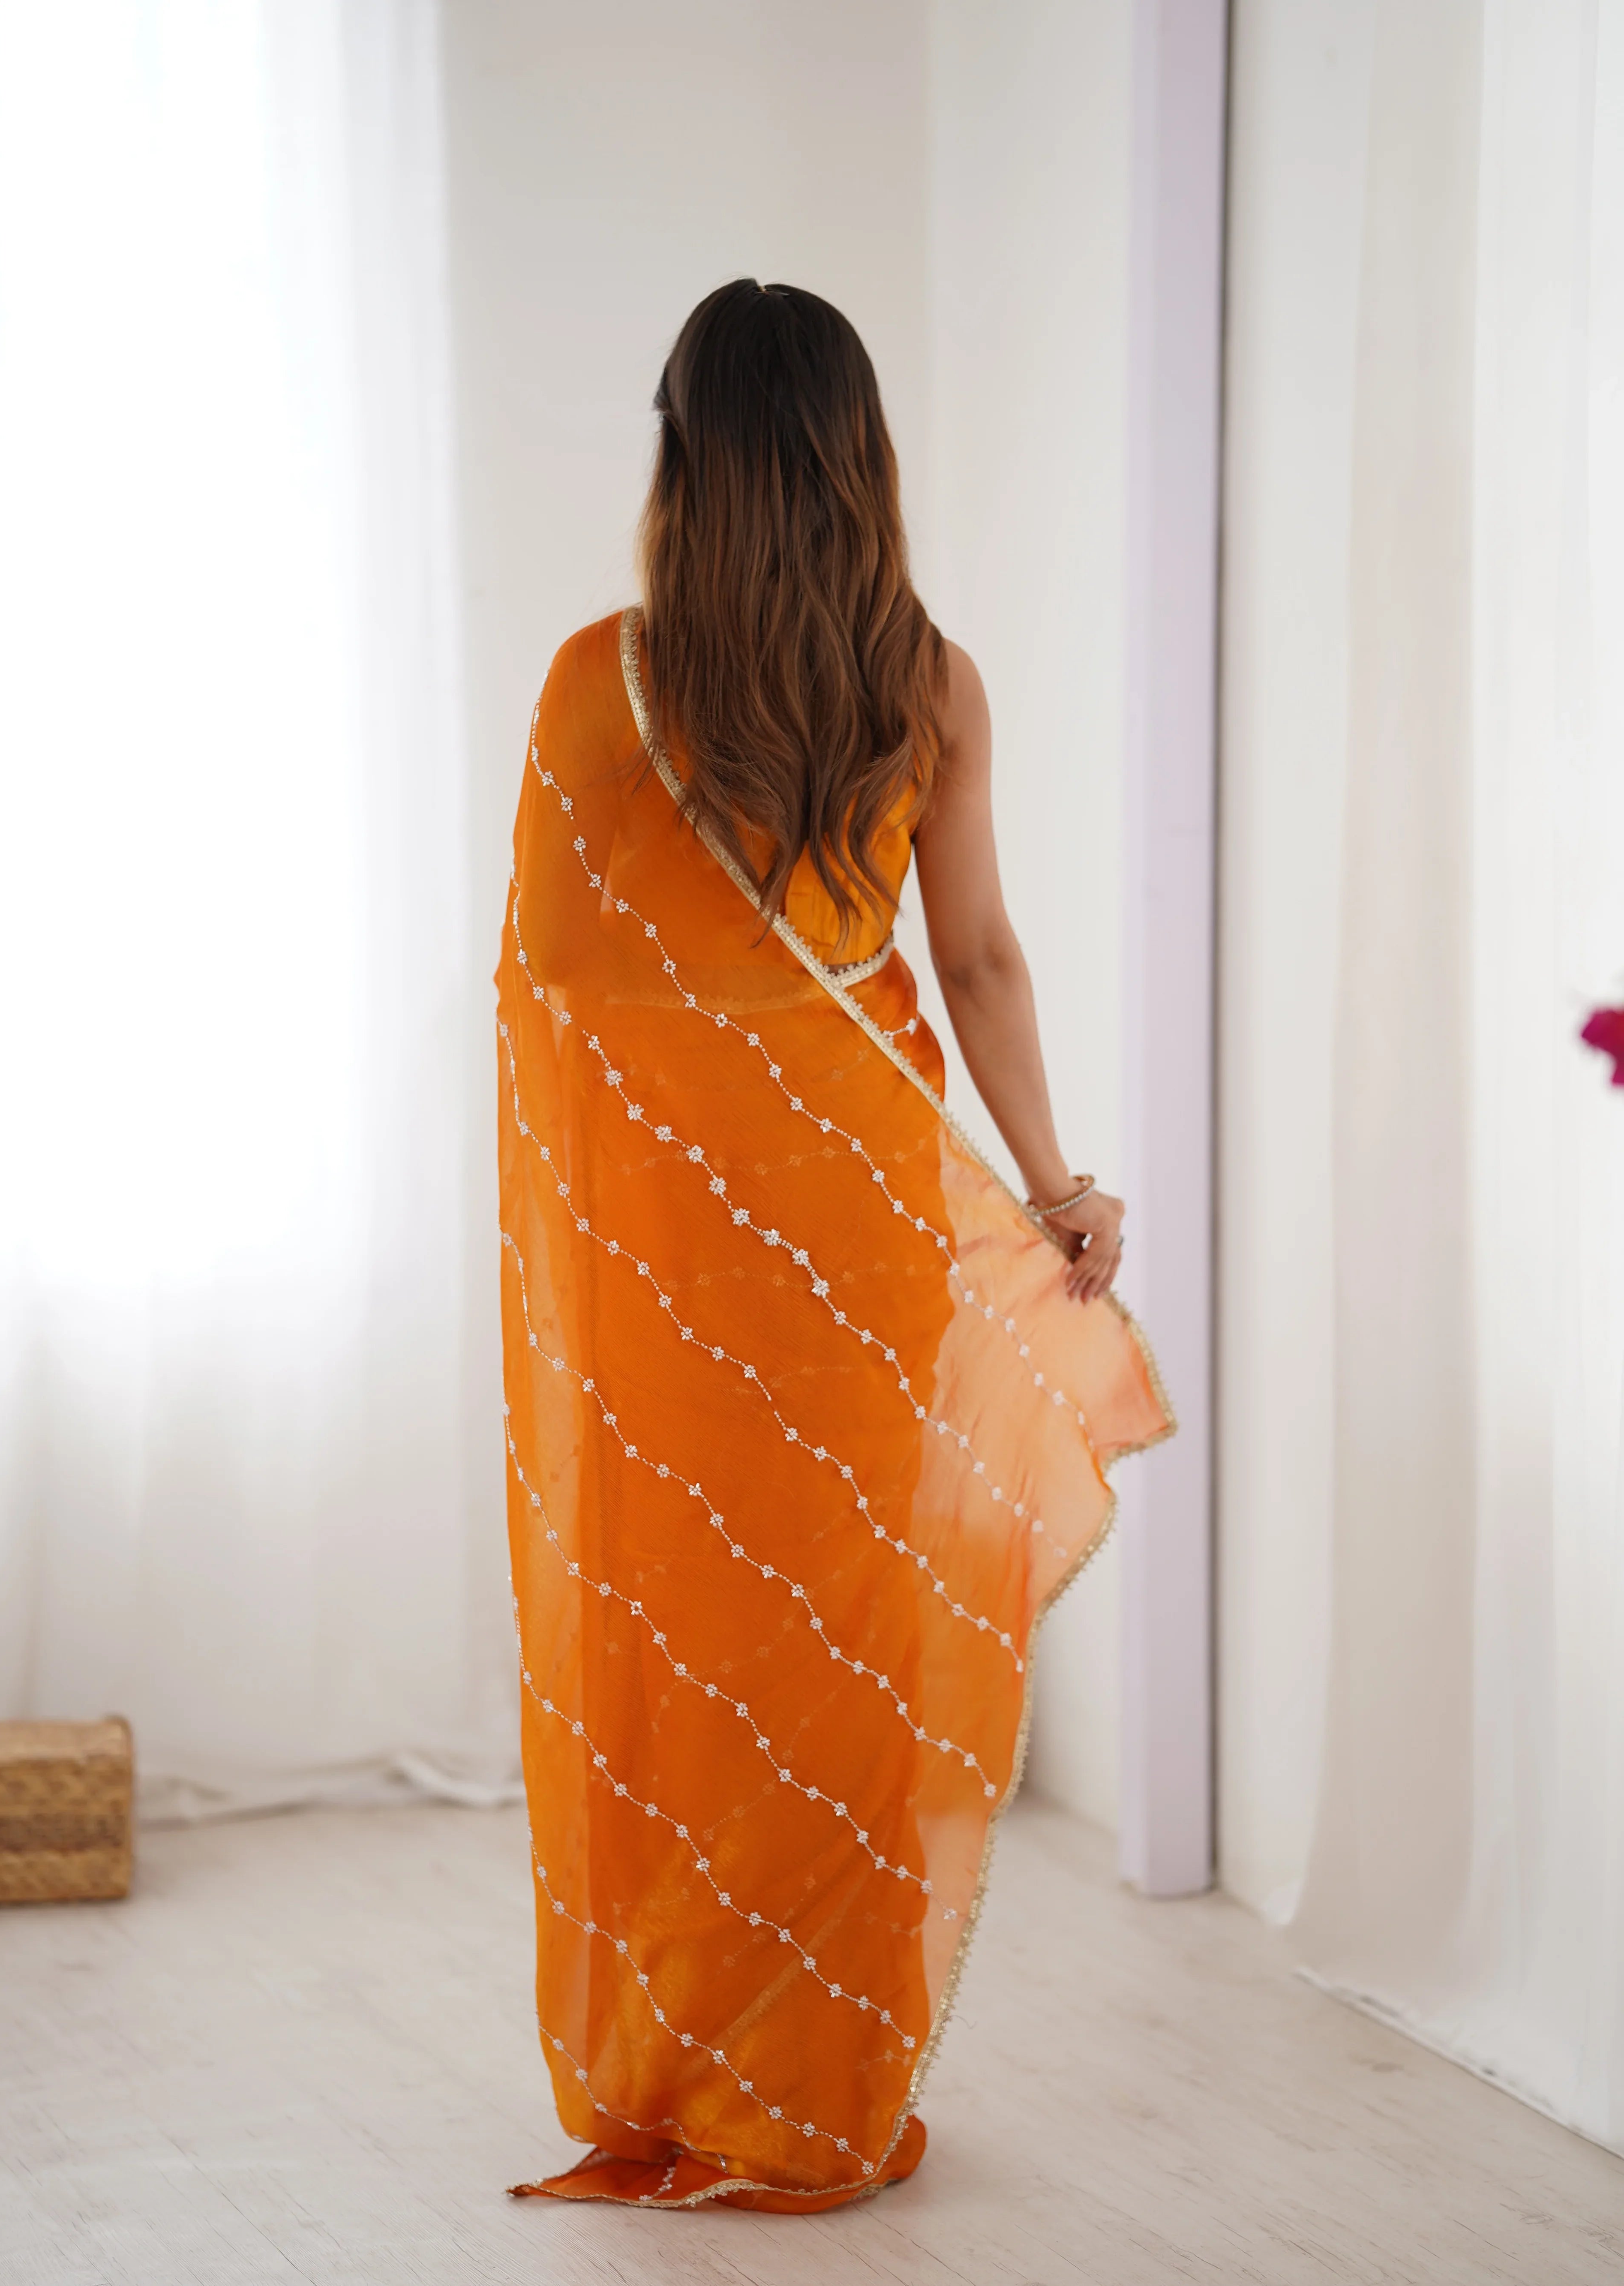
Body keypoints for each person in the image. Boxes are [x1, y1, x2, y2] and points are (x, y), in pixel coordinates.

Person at [497, 279, 1171, 2212]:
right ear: (865, 458)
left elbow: (553, 996)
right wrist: (1051, 1180)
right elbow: (970, 958)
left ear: (681, 454)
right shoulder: (930, 679)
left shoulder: (592, 684)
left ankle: (682, 2070)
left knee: (684, 1662)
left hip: (670, 1278)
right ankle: (823, 2090)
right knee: (841, 1676)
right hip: (863, 1235)